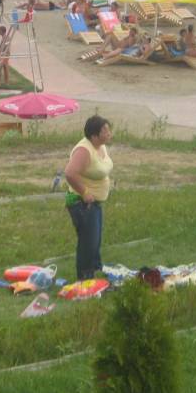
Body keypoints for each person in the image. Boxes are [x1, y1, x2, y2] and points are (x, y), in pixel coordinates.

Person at [63, 115, 114, 281]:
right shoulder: (84, 150)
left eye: (108, 129)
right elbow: (70, 173)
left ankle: (96, 271)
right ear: (94, 135)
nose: (109, 133)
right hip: (81, 204)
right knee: (88, 242)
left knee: (95, 240)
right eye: (105, 131)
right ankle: (85, 279)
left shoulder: (101, 147)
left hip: (94, 204)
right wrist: (84, 192)